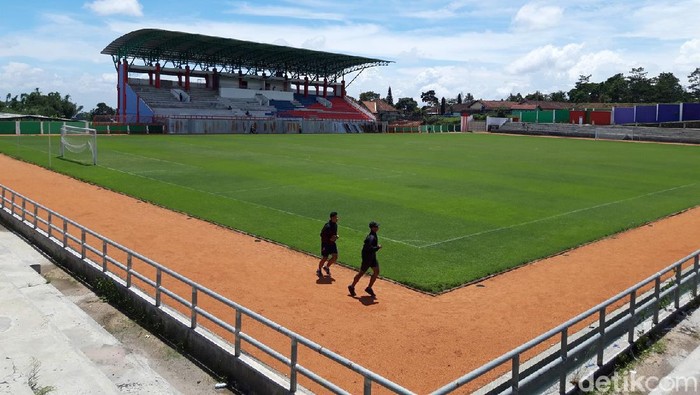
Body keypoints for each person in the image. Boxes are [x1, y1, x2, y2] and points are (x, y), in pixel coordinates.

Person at [348, 221, 382, 297]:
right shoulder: (371, 237)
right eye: (376, 227)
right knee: (361, 273)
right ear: (372, 228)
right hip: (367, 258)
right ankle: (352, 286)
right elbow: (368, 248)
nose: (378, 228)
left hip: (372, 257)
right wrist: (378, 247)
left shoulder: (374, 235)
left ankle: (369, 288)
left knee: (376, 271)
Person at [317, 211, 339, 277]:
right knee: (325, 258)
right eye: (336, 217)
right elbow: (322, 235)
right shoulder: (327, 226)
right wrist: (329, 239)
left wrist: (336, 236)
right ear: (332, 218)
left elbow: (334, 234)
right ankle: (319, 269)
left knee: (335, 257)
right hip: (326, 244)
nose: (337, 218)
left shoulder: (335, 225)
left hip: (332, 243)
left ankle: (326, 267)